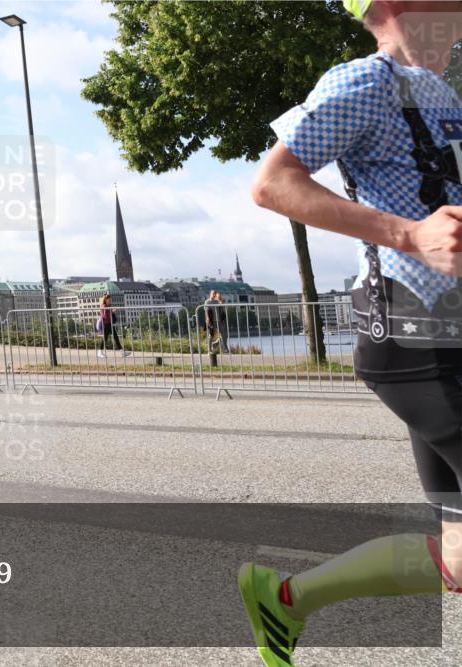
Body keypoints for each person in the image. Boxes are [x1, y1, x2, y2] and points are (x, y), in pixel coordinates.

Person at [240, 2, 462, 665]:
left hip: (451, 338)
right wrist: (409, 234)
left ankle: (284, 596)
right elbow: (273, 184)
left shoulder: (441, 89)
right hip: (414, 344)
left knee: (458, 556)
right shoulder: (361, 81)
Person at [97, 293, 127, 358]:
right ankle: (99, 352)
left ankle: (122, 352)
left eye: (110, 299)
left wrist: (112, 311)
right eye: (109, 299)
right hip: (106, 324)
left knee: (115, 337)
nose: (110, 300)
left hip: (109, 324)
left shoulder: (108, 306)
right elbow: (105, 316)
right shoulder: (104, 306)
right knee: (105, 338)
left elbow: (108, 314)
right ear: (106, 299)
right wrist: (112, 312)